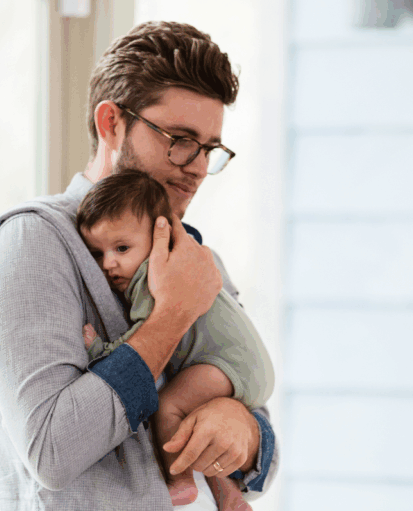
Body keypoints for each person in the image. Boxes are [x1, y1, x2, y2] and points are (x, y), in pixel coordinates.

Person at [0, 21, 278, 510]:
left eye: (209, 149)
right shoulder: (29, 244)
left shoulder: (191, 256)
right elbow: (52, 453)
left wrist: (245, 431)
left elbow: (264, 455)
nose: (195, 166)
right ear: (111, 124)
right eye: (180, 139)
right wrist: (170, 317)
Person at [76, 169, 274, 510]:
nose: (109, 264)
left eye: (121, 248)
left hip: (230, 365)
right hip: (241, 365)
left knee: (170, 406)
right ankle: (228, 496)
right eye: (97, 253)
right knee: (201, 423)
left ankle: (180, 481)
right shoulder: (188, 260)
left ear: (158, 235)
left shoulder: (155, 275)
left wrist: (101, 350)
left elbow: (147, 335)